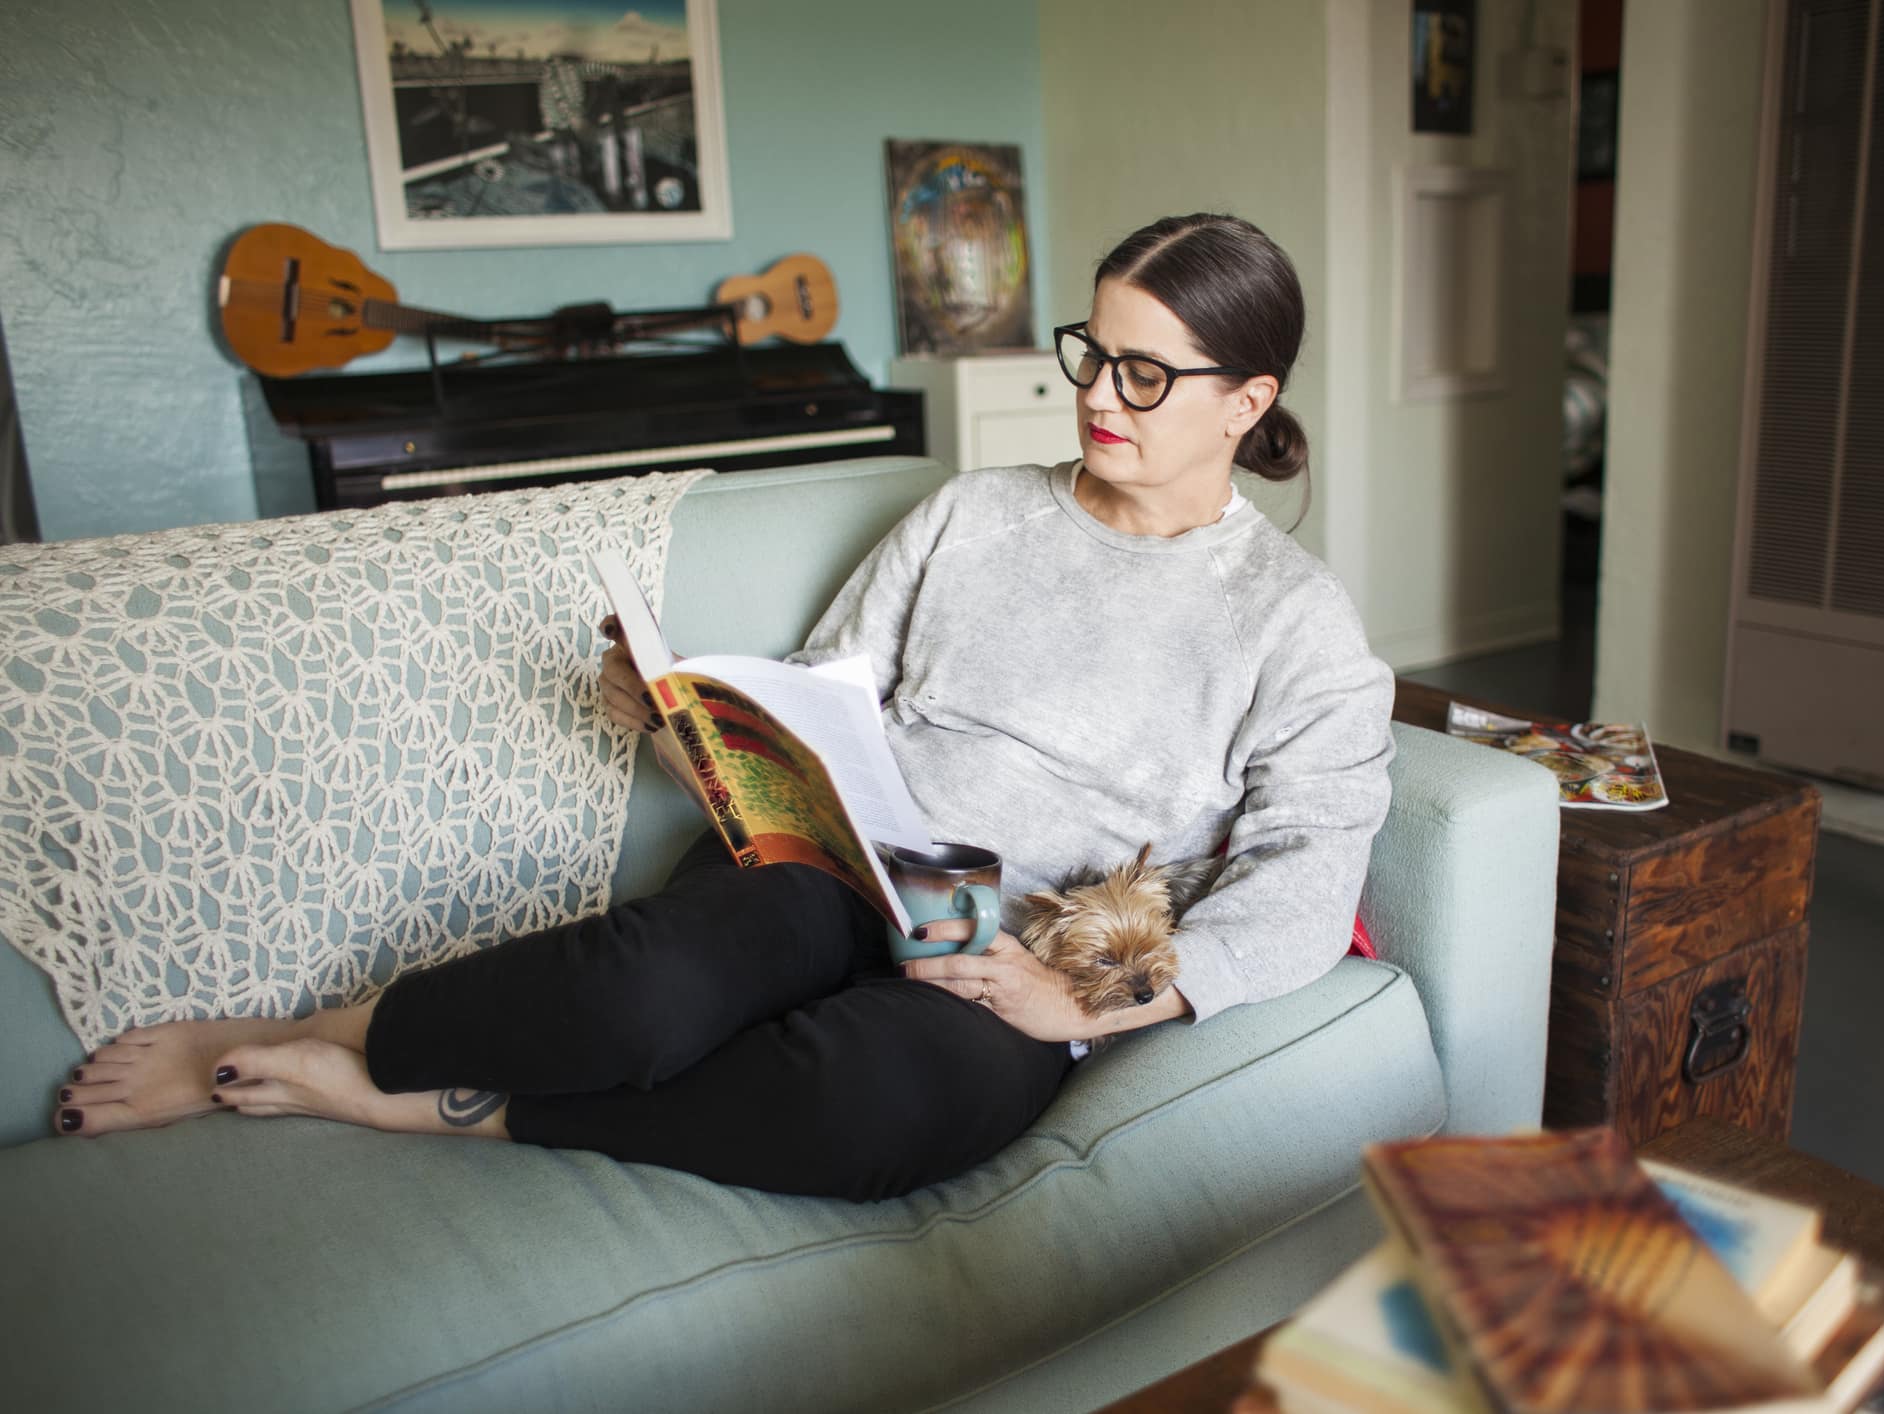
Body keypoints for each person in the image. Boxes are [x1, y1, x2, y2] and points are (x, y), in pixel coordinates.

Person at [48, 213, 1397, 1202]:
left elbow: (1304, 875)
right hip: (836, 866)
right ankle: (301, 1036)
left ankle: (461, 1113)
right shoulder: (973, 513)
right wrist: (695, 722)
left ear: (1248, 400)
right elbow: (833, 699)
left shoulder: (1293, 622)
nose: (1097, 396)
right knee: (641, 985)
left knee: (860, 1100)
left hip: (1015, 944)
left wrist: (1090, 1002)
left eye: (1143, 374)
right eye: (1089, 353)